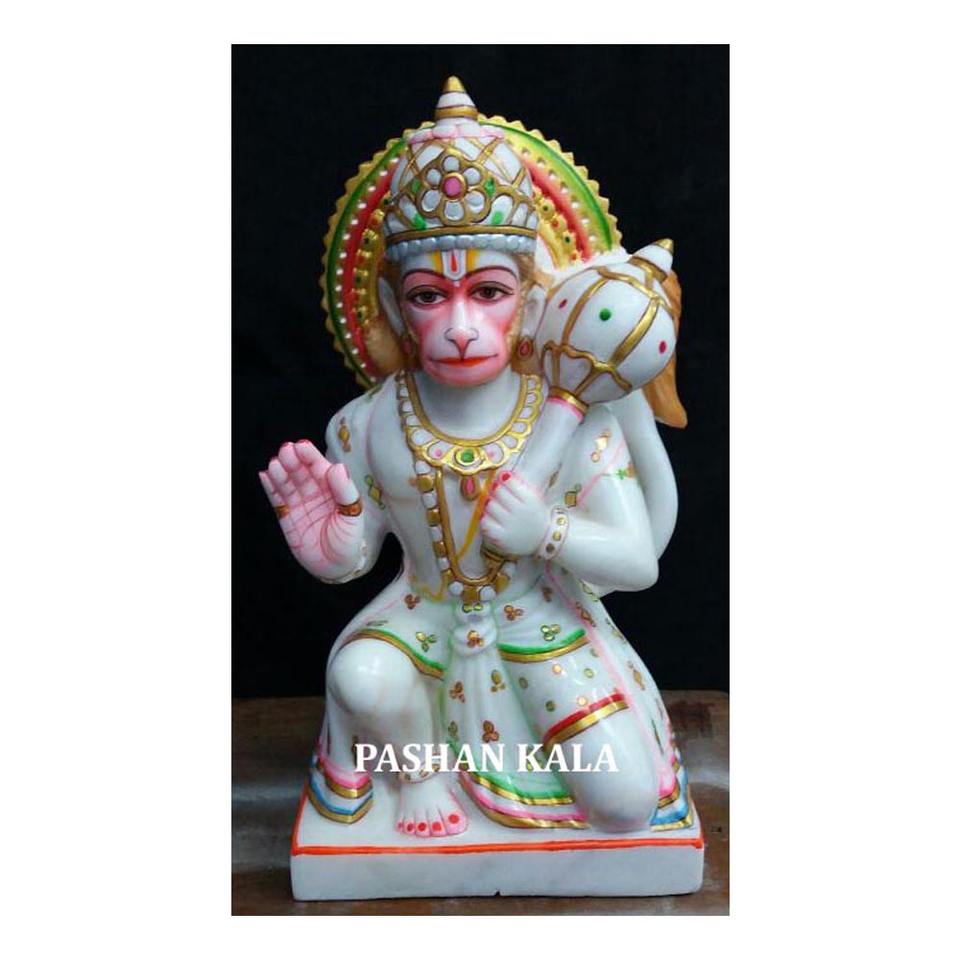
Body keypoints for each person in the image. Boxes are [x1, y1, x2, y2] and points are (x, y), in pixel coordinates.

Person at [259, 79, 692, 839]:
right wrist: (331, 550)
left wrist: (547, 533)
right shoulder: (366, 424)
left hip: (539, 624)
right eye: (429, 297)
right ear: (393, 307)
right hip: (422, 621)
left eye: (488, 292)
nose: (460, 327)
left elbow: (635, 561)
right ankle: (418, 772)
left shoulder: (574, 420)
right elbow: (358, 553)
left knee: (625, 805)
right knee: (360, 674)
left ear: (530, 301)